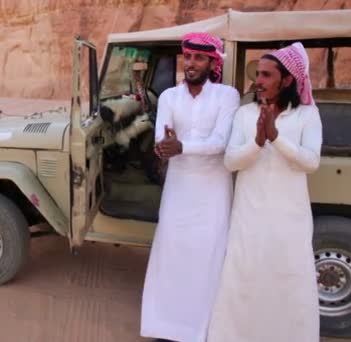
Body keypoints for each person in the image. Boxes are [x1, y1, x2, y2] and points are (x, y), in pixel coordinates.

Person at [207, 42, 322, 342]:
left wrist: (276, 137)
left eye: (267, 75)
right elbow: (231, 161)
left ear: (287, 80)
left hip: (290, 219)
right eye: (258, 74)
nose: (258, 81)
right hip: (249, 217)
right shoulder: (245, 114)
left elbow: (311, 162)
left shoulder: (307, 115)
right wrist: (257, 142)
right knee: (245, 281)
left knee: (289, 282)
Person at [141, 32, 240, 342]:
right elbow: (162, 138)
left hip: (212, 191)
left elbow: (220, 143)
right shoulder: (170, 96)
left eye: (199, 58)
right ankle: (164, 328)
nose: (192, 63)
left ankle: (201, 331)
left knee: (206, 257)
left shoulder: (227, 96)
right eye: (188, 57)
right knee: (171, 253)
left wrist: (180, 146)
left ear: (212, 62)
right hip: (179, 187)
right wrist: (163, 147)